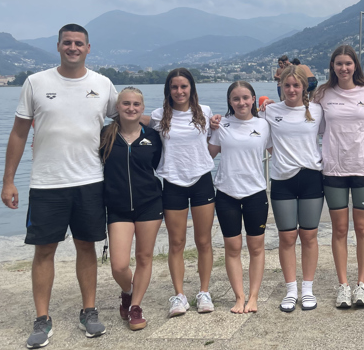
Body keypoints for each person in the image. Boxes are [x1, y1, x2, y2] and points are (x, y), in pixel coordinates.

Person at [1, 23, 117, 349]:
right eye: (67, 43)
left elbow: (126, 115)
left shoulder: (102, 84)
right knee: (44, 250)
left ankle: (89, 311)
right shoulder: (36, 83)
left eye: (79, 43)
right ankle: (42, 318)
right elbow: (19, 133)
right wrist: (8, 180)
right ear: (58, 46)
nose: (73, 48)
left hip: (90, 180)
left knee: (86, 246)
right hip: (47, 182)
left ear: (88, 48)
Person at [314, 45, 364, 309]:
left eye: (348, 63)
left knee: (363, 228)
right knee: (340, 229)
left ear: (355, 65)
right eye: (338, 64)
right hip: (333, 169)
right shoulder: (322, 94)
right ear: (332, 67)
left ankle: (362, 284)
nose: (344, 68)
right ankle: (343, 285)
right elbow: (310, 125)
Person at [149, 68, 217, 318]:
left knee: (203, 240)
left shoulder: (205, 112)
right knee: (176, 242)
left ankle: (204, 291)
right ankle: (179, 295)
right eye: (174, 87)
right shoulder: (159, 116)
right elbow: (128, 117)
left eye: (184, 87)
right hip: (173, 183)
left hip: (201, 180)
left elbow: (219, 135)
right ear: (168, 90)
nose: (179, 91)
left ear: (192, 89)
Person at [100, 86, 163, 331]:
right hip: (118, 208)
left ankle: (135, 306)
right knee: (119, 264)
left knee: (144, 257)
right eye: (126, 103)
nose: (131, 108)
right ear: (117, 107)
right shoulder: (105, 135)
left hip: (149, 203)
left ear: (142, 108)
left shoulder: (153, 136)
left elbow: (159, 165)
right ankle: (127, 290)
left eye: (136, 104)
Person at [265, 65, 325, 312]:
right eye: (287, 85)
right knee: (287, 236)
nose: (291, 90)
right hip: (282, 179)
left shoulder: (317, 110)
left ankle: (308, 289)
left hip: (311, 176)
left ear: (304, 88)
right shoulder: (269, 111)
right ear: (281, 86)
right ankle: (291, 289)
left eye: (296, 85)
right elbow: (265, 141)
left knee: (309, 235)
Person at [209, 81, 271, 313]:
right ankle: (239, 296)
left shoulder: (264, 125)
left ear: (254, 99)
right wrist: (206, 126)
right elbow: (207, 155)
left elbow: (278, 151)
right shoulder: (220, 125)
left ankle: (253, 296)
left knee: (256, 246)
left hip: (255, 192)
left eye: (246, 97)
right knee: (232, 246)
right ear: (229, 102)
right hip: (227, 192)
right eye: (236, 99)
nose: (241, 102)